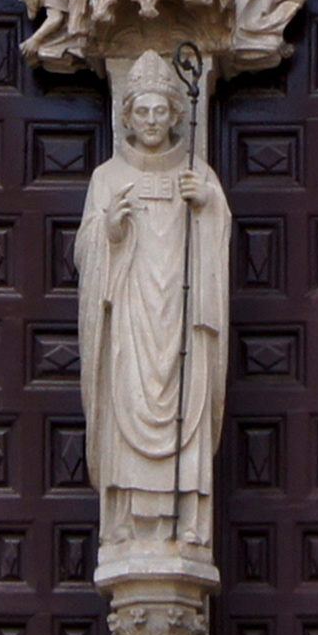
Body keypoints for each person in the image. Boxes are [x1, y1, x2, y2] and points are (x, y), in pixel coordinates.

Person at [72, 54, 230, 556]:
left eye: (161, 111)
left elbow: (218, 235)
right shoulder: (107, 177)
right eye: (142, 112)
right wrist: (111, 229)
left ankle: (188, 518)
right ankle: (122, 518)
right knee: (125, 401)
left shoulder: (196, 173)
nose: (152, 121)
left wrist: (206, 204)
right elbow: (85, 249)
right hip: (131, 320)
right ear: (128, 117)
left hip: (181, 321)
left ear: (177, 114)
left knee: (188, 398)